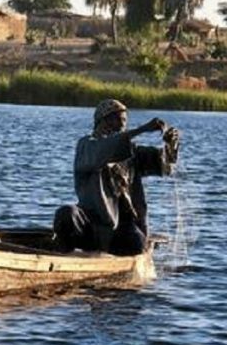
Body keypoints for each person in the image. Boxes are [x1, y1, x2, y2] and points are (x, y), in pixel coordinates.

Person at [53, 99, 180, 256]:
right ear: (104, 121)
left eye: (125, 120)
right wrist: (142, 129)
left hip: (122, 226)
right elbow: (106, 149)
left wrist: (170, 145)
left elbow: (164, 166)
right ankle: (65, 256)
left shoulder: (131, 152)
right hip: (93, 222)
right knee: (66, 213)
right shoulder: (87, 146)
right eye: (118, 119)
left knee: (137, 243)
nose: (122, 124)